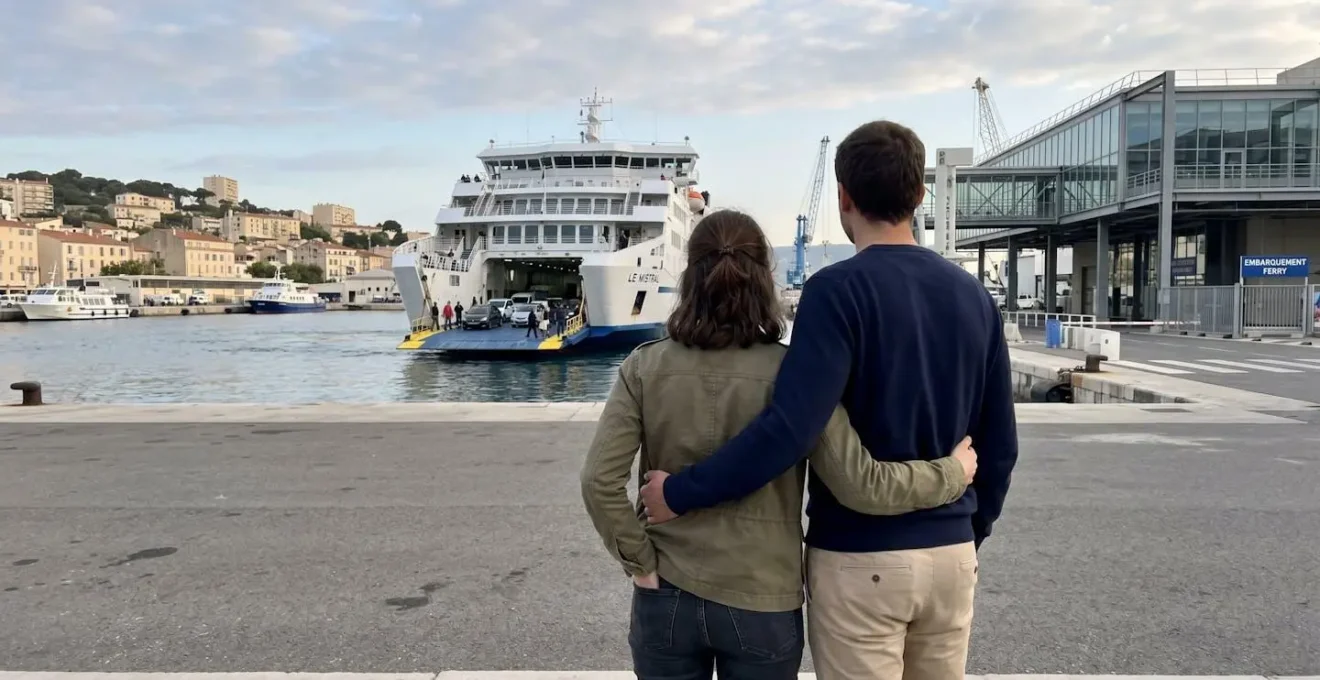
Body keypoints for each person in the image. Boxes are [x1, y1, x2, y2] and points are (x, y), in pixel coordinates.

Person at [640, 121, 1019, 680]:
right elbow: (1000, 448)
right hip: (952, 554)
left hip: (860, 560)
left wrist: (680, 490)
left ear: (843, 197)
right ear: (919, 195)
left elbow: (790, 430)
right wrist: (969, 532)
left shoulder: (836, 291)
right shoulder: (975, 298)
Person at [582, 209, 977, 680]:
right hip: (762, 601)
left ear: (689, 277)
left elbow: (598, 482)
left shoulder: (643, 368)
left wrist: (640, 563)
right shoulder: (794, 373)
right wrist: (951, 474)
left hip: (665, 591)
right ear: (763, 280)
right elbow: (861, 484)